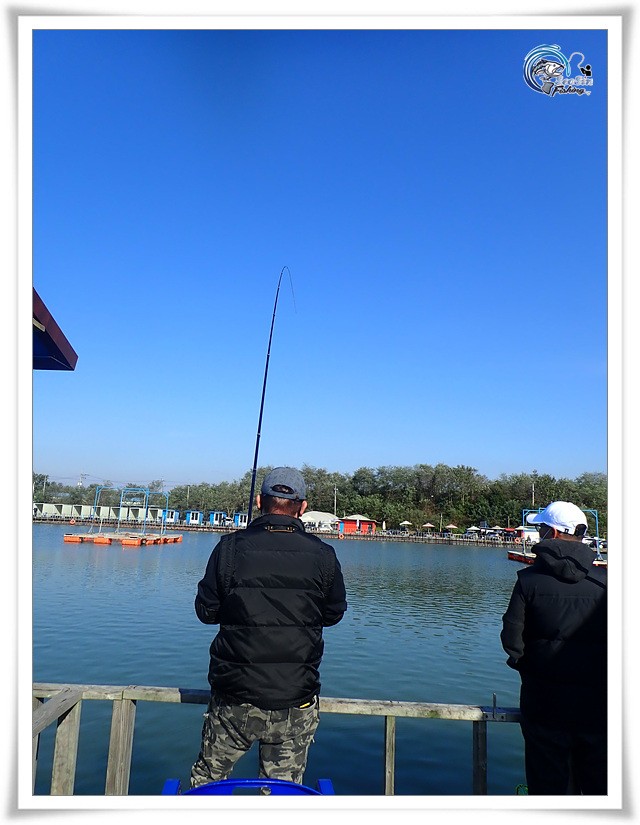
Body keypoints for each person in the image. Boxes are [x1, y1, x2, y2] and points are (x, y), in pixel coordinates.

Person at [190, 466, 347, 788]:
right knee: (281, 795)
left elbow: (207, 612)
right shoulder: (323, 555)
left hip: (233, 697)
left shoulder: (229, 548)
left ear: (260, 501)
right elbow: (333, 615)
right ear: (302, 507)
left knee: (208, 785)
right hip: (295, 697)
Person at [501, 501, 607, 795]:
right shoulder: (606, 584)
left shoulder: (528, 581)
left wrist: (530, 668)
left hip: (543, 704)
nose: (539, 533)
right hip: (598, 707)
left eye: (542, 528)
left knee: (548, 788)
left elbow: (512, 640)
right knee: (599, 786)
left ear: (555, 533)